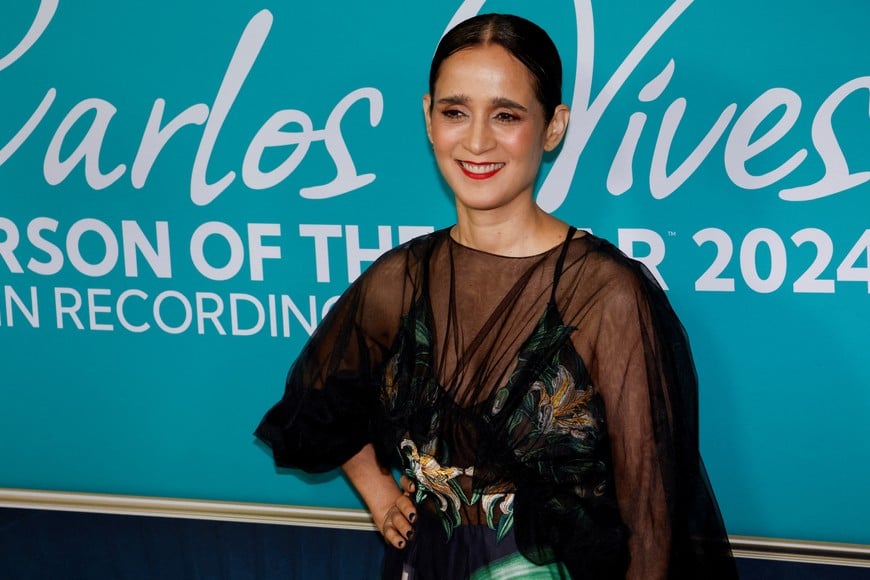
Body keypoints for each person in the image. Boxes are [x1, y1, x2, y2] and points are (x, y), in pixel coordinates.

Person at [256, 13, 737, 579]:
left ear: (553, 127)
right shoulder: (399, 279)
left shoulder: (607, 296)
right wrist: (381, 495)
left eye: (506, 115)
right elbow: (316, 408)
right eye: (455, 111)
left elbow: (652, 523)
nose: (477, 140)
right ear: (428, 119)